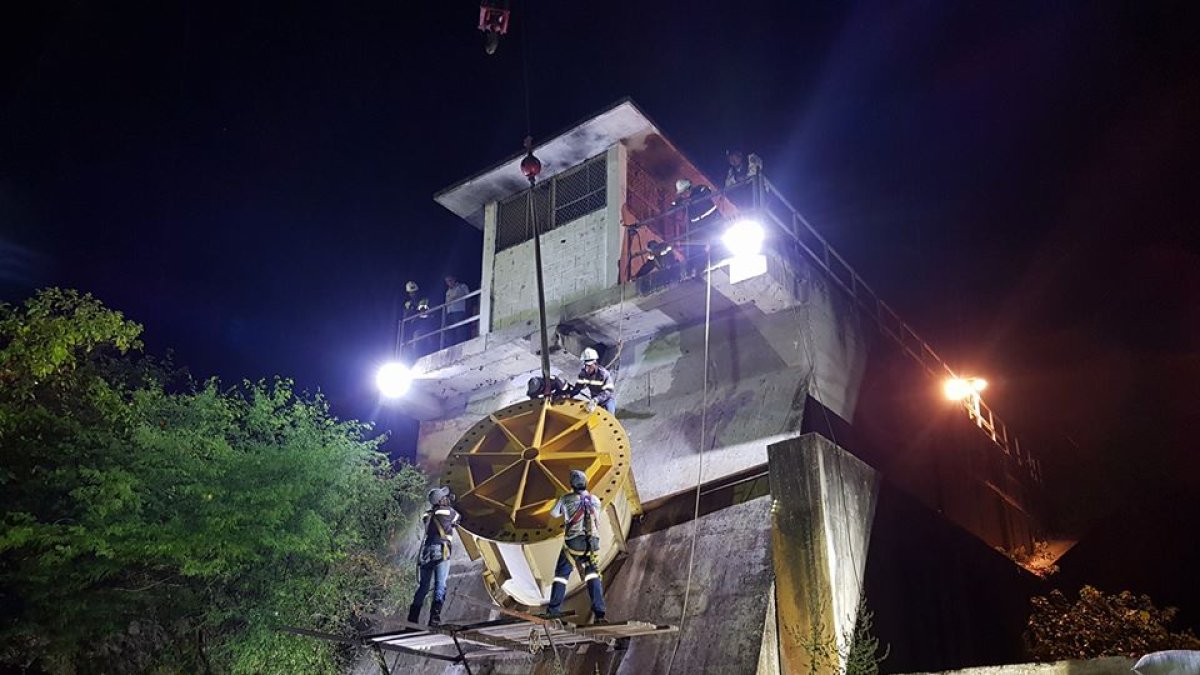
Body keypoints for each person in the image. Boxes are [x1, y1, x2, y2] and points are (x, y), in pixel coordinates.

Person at [546, 469, 607, 624]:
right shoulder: (595, 500)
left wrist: (558, 497)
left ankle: (553, 611)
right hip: (592, 544)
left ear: (571, 485)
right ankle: (600, 615)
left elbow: (553, 514)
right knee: (593, 575)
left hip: (574, 543)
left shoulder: (566, 499)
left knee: (561, 575)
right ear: (586, 483)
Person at [407, 486, 461, 627]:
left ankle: (411, 621)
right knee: (440, 586)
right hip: (440, 550)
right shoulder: (448, 512)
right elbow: (459, 519)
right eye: (445, 497)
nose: (447, 498)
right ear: (441, 500)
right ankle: (434, 620)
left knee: (423, 587)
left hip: (426, 551)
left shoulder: (427, 515)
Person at [570, 347, 616, 415]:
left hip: (607, 400)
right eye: (586, 365)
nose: (587, 368)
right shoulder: (583, 374)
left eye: (589, 366)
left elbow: (608, 391)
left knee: (609, 416)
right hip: (593, 400)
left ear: (595, 363)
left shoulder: (604, 374)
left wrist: (596, 399)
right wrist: (570, 394)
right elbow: (578, 387)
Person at [402, 281, 433, 357]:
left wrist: (415, 311)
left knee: (422, 341)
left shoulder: (424, 300)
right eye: (411, 293)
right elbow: (405, 316)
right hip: (411, 328)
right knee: (408, 345)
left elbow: (423, 313)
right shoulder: (407, 304)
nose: (413, 294)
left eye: (414, 292)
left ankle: (419, 356)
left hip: (423, 326)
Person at [443, 275, 471, 346]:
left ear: (454, 279)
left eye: (450, 280)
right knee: (450, 331)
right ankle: (451, 346)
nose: (449, 283)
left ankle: (461, 344)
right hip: (450, 313)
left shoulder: (462, 287)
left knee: (460, 330)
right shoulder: (448, 292)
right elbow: (447, 303)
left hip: (459, 311)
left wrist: (468, 310)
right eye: (447, 281)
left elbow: (468, 297)